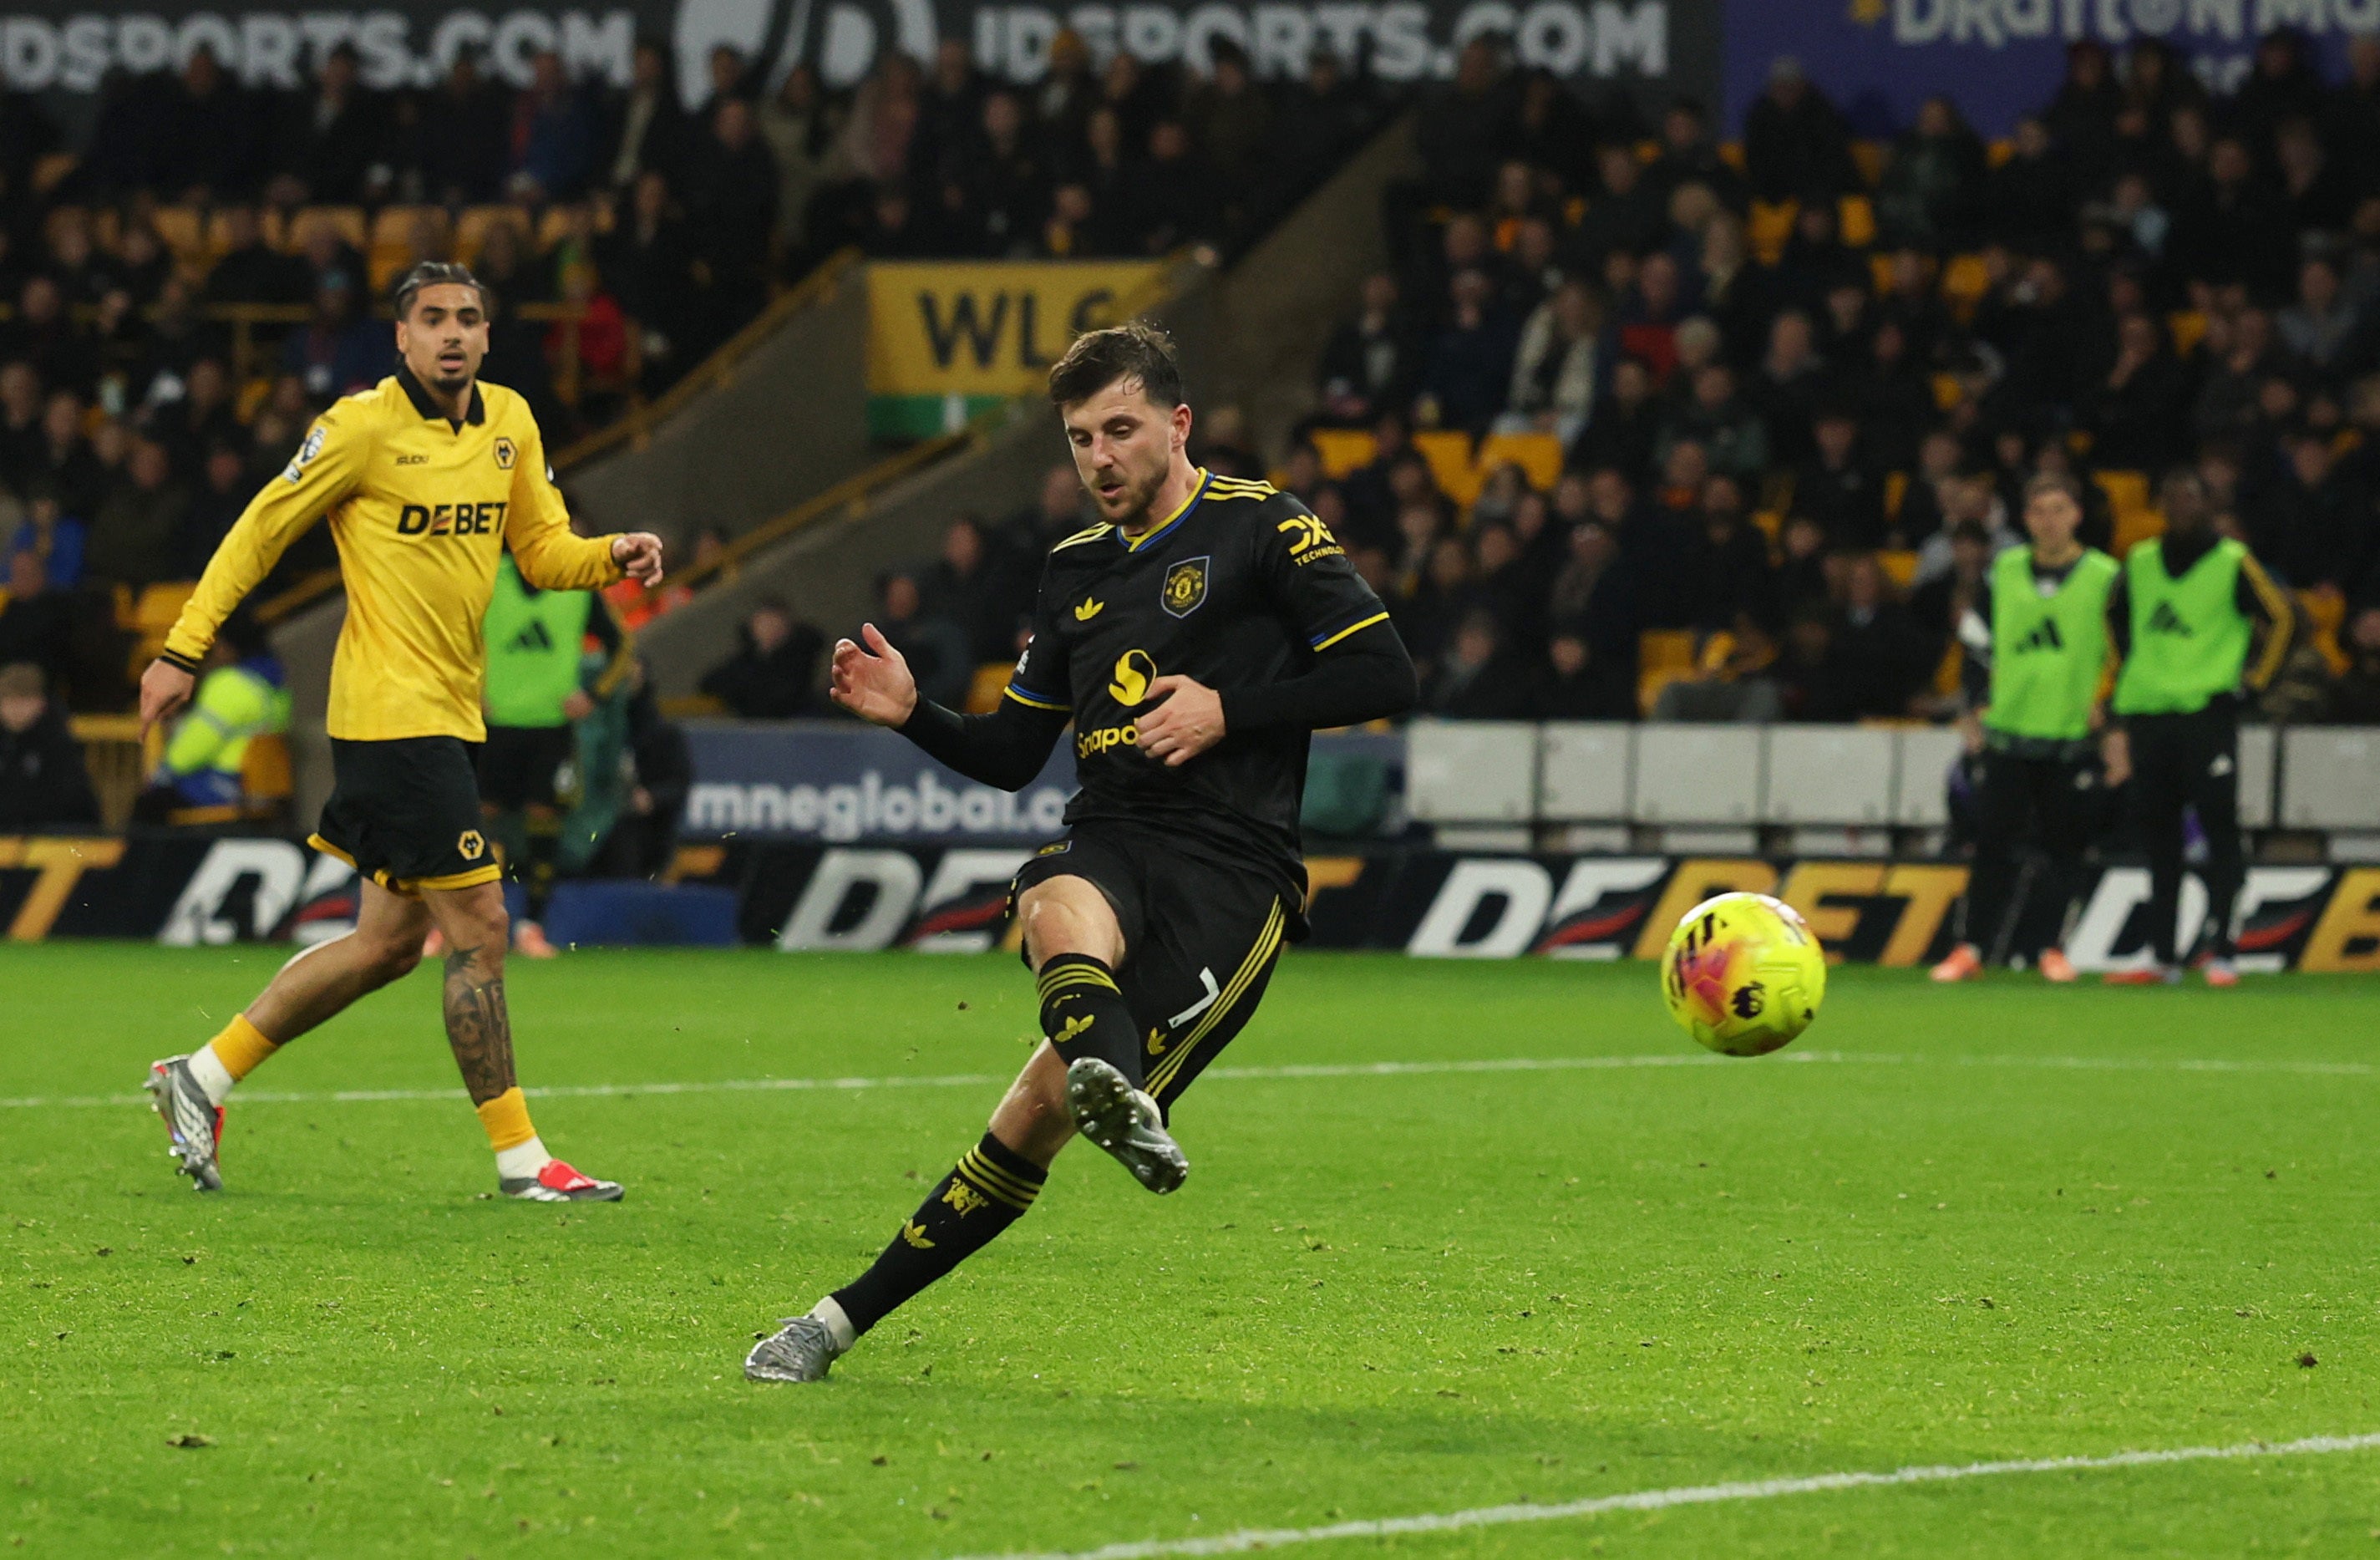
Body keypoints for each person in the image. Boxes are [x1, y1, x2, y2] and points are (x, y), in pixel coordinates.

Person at [745, 324, 1415, 1385]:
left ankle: (1083, 1095)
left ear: (1177, 424)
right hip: (1113, 835)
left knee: (1023, 1124)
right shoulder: (1071, 572)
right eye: (1077, 439)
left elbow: (1386, 674)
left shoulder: (1262, 527)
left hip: (1233, 875)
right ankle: (838, 1319)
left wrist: (1227, 709)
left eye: (1119, 430)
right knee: (1051, 892)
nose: (1098, 458)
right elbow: (1014, 753)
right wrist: (916, 711)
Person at [135, 262, 666, 1200]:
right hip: (387, 715)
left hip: (450, 713)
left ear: (488, 335)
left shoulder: (510, 423)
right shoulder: (359, 428)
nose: (453, 333)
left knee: (384, 944)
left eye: (468, 317)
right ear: (403, 338)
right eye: (433, 319)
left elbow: (541, 554)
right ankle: (520, 1159)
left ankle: (201, 1076)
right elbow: (260, 530)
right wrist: (184, 648)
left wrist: (610, 556)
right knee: (482, 926)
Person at [2100, 470, 2292, 986]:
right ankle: (2163, 955)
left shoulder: (2231, 561)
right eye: (2172, 498)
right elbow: (2112, 614)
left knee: (2217, 827)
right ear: (2161, 504)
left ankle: (2225, 949)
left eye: (2191, 498)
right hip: (2150, 713)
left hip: (2206, 713)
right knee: (2158, 834)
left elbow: (2282, 618)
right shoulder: (2140, 561)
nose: (2181, 507)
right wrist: (2130, 669)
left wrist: (2253, 684)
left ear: (2208, 504)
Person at [1931, 474, 2119, 984]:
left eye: (2059, 509)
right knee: (1992, 843)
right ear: (2026, 518)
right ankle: (1971, 946)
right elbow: (1974, 642)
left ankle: (2050, 947)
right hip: (2009, 730)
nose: (2049, 521)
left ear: (2077, 515)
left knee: (2065, 847)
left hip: (2070, 732)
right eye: (2039, 511)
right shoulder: (2005, 571)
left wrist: (2113, 712)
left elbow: (2128, 649)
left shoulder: (2105, 575)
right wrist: (1973, 709)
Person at [479, 549, 633, 958]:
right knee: (479, 822)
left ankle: (532, 926)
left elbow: (621, 645)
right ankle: (465, 925)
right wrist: (468, 688)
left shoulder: (577, 585)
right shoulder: (488, 576)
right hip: (495, 724)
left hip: (552, 727)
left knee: (544, 823)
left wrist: (595, 695)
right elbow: (449, 636)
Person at [143, 614, 291, 825]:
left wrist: (164, 771)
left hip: (223, 787)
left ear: (227, 646)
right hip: (262, 792)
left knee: (149, 804)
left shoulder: (228, 684)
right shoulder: (277, 688)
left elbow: (193, 749)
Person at [0, 662, 98, 831]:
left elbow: (73, 802)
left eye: (24, 700)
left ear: (40, 703)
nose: (16, 709)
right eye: (8, 700)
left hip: (55, 839)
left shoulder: (59, 743)